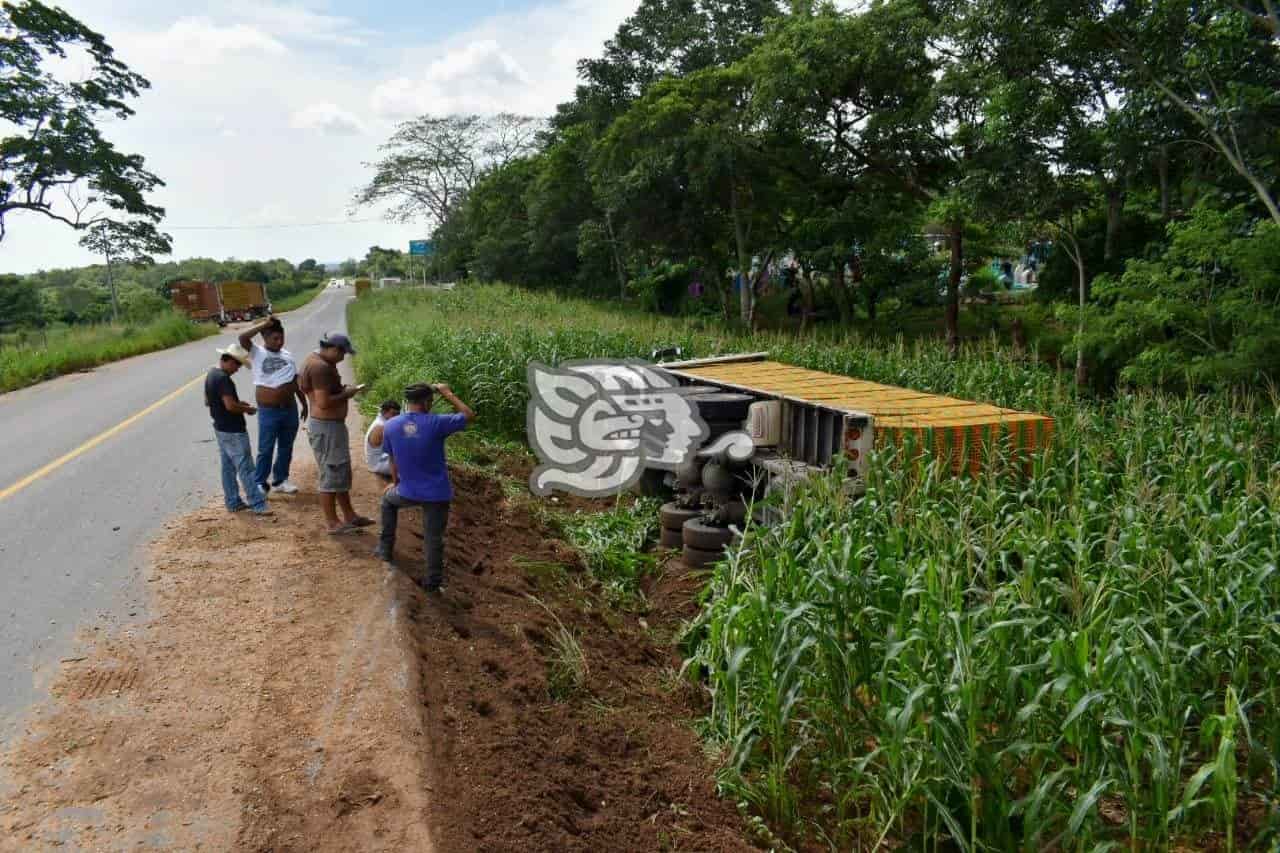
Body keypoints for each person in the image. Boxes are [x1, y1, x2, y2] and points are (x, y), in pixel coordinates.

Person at [375, 382, 475, 593]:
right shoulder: (436, 423)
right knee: (433, 539)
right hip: (436, 495)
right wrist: (448, 393)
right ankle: (432, 584)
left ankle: (385, 550)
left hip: (406, 491)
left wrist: (396, 483)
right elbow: (468, 414)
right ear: (428, 402)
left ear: (408, 402)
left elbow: (393, 460)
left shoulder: (391, 425)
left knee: (387, 501)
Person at [298, 332, 372, 534]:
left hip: (329, 427)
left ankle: (349, 515)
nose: (343, 358)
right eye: (342, 354)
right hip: (326, 427)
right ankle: (333, 523)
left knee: (339, 472)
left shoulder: (315, 361)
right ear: (333, 349)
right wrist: (347, 393)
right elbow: (322, 402)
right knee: (331, 474)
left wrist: (342, 391)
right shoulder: (320, 367)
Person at [239, 316, 308, 496]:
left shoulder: (287, 356)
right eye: (274, 338)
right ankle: (260, 482)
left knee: (286, 446)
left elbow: (295, 381)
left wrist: (304, 403)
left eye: (281, 338)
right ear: (265, 338)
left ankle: (280, 480)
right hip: (269, 411)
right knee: (266, 448)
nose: (279, 342)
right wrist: (264, 324)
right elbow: (243, 338)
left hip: (289, 409)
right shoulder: (257, 352)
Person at [205, 344, 271, 516]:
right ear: (228, 360)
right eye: (237, 365)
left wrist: (237, 404)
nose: (238, 369)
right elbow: (229, 406)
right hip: (233, 430)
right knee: (246, 468)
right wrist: (246, 409)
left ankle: (233, 502)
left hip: (220, 428)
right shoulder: (223, 379)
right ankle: (258, 504)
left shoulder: (211, 374)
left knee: (228, 467)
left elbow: (209, 401)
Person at [364, 399, 401, 478]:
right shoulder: (381, 427)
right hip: (377, 463)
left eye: (398, 415)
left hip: (377, 459)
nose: (396, 417)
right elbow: (395, 448)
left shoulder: (381, 422)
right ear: (384, 412)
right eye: (393, 414)